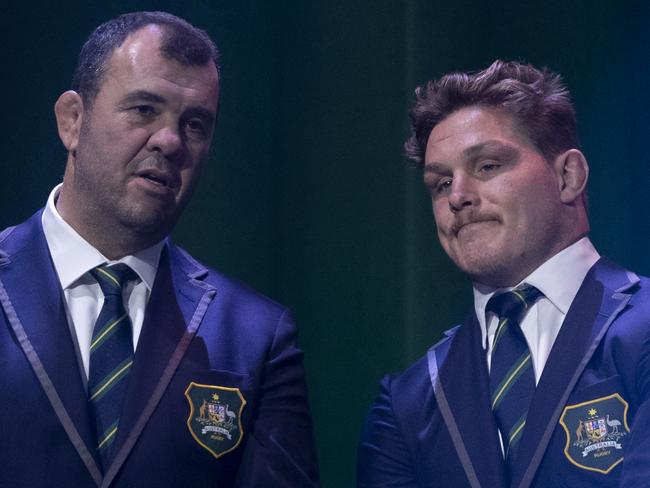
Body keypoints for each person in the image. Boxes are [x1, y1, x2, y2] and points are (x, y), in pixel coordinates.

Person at [0, 11, 318, 487]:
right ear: (72, 121)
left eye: (194, 125)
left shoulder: (256, 336)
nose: (170, 142)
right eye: (144, 110)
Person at [357, 60, 650, 487]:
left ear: (568, 176)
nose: (457, 196)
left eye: (488, 166)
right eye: (440, 183)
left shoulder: (641, 329)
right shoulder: (407, 402)